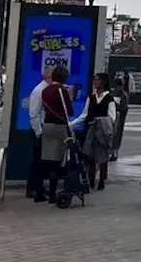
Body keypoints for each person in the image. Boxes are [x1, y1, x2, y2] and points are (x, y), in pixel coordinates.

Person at [37, 66, 77, 203]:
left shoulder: (45, 90)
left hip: (47, 126)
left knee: (46, 159)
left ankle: (39, 190)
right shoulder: (62, 91)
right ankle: (53, 194)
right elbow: (69, 111)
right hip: (59, 127)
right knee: (58, 161)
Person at [79, 73, 117, 190]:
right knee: (90, 154)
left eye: (97, 80)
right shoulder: (91, 98)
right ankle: (91, 178)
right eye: (94, 80)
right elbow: (84, 114)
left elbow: (112, 117)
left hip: (102, 131)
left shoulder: (109, 99)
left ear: (103, 82)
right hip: (91, 129)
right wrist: (72, 123)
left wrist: (99, 121)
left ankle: (101, 180)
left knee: (102, 156)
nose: (95, 82)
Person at [26, 68, 54, 198]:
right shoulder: (39, 91)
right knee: (38, 160)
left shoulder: (46, 90)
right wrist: (39, 132)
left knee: (43, 161)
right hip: (40, 129)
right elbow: (34, 113)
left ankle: (39, 186)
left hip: (45, 128)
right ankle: (33, 188)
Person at [109, 77, 129, 161]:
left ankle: (114, 152)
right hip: (111, 117)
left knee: (117, 135)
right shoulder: (112, 94)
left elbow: (123, 107)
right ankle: (111, 151)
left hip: (119, 118)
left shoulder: (124, 95)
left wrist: (115, 106)